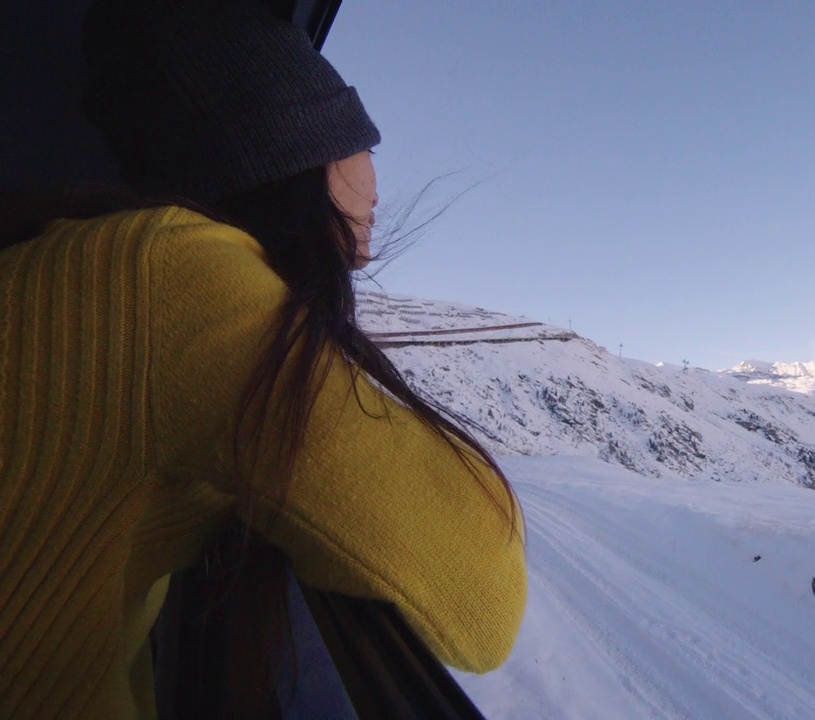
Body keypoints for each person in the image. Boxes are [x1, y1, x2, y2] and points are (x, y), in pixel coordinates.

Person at [0, 0, 526, 717]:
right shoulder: (181, 278)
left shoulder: (100, 259)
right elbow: (481, 598)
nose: (374, 170)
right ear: (292, 146)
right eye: (360, 138)